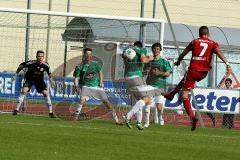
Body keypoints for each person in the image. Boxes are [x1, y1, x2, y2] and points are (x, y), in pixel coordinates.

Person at [162, 26, 232, 131]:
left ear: (199, 34)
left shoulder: (195, 42)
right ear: (208, 34)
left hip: (194, 70)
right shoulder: (213, 43)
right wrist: (227, 63)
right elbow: (219, 52)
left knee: (184, 96)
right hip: (204, 72)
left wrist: (178, 61)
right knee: (186, 76)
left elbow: (183, 54)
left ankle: (192, 118)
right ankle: (171, 94)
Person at [73, 48, 122, 125]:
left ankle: (116, 120)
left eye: (90, 54)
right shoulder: (79, 66)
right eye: (87, 54)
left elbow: (100, 72)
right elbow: (76, 77)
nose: (89, 56)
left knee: (107, 102)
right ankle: (75, 117)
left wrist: (101, 82)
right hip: (85, 86)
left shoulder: (95, 64)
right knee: (82, 100)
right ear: (84, 55)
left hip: (96, 87)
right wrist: (75, 85)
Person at [122, 41, 156, 130]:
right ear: (140, 46)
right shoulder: (142, 50)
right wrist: (151, 58)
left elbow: (126, 57)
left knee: (140, 101)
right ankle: (128, 116)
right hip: (136, 77)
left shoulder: (126, 50)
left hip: (127, 77)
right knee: (147, 99)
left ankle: (138, 122)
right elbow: (143, 60)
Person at [12, 50, 56, 118]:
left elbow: (49, 73)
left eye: (42, 56)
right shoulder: (31, 63)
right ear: (36, 57)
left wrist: (51, 80)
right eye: (39, 56)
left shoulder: (46, 65)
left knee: (46, 93)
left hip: (39, 81)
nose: (40, 58)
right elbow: (21, 65)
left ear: (43, 57)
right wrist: (16, 74)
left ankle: (50, 112)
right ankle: (16, 110)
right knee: (24, 91)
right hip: (29, 79)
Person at [143, 42, 172, 127]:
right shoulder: (149, 61)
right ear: (152, 50)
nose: (156, 50)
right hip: (149, 85)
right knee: (147, 103)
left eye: (158, 49)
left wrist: (159, 73)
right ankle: (147, 122)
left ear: (160, 50)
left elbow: (168, 73)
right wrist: (147, 70)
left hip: (160, 86)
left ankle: (160, 117)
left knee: (159, 106)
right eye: (154, 49)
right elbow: (143, 71)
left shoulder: (164, 61)